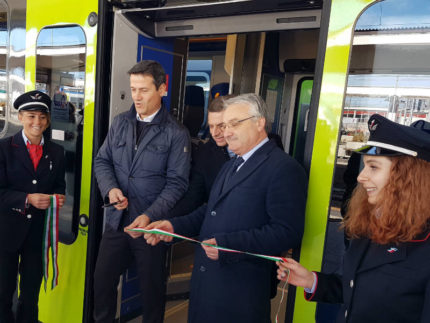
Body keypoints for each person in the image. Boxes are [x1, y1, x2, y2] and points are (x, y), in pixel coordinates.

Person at [139, 93, 308, 323]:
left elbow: (287, 232)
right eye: (224, 125)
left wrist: (229, 245)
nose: (226, 132)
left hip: (239, 294)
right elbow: (210, 212)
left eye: (234, 124)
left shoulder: (283, 169)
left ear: (260, 123)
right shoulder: (231, 165)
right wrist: (172, 226)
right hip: (206, 288)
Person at [277, 115, 430, 323]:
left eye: (374, 167)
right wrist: (311, 280)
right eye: (365, 166)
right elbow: (356, 287)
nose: (361, 176)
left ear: (408, 178)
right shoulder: (371, 225)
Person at [93, 60, 191, 323]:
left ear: (162, 88)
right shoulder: (119, 123)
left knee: (152, 293)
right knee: (101, 285)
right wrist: (111, 188)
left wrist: (149, 215)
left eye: (144, 90)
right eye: (133, 89)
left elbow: (177, 183)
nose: (136, 96)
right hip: (116, 223)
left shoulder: (176, 134)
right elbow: (102, 161)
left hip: (151, 229)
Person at [0, 90, 66, 323]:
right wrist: (26, 199)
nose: (37, 122)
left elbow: (60, 186)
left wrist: (57, 197)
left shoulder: (57, 152)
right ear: (20, 117)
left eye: (42, 117)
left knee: (30, 297)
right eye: (31, 116)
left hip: (37, 236)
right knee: (3, 296)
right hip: (6, 235)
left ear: (48, 121)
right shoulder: (4, 148)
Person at [168, 95, 232, 218]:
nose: (214, 133)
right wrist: (165, 222)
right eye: (211, 126)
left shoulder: (261, 155)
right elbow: (193, 197)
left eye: (221, 126)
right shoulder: (205, 152)